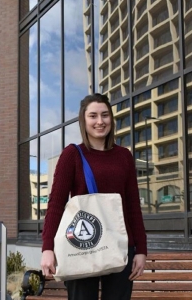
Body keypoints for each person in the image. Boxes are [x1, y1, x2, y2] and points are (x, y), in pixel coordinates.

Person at [40, 93, 147, 300]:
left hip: (121, 246)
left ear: (111, 119)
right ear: (84, 120)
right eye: (93, 116)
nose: (100, 121)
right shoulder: (72, 155)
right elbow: (56, 204)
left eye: (105, 115)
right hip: (81, 246)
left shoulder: (124, 156)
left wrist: (141, 250)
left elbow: (133, 206)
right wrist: (47, 248)